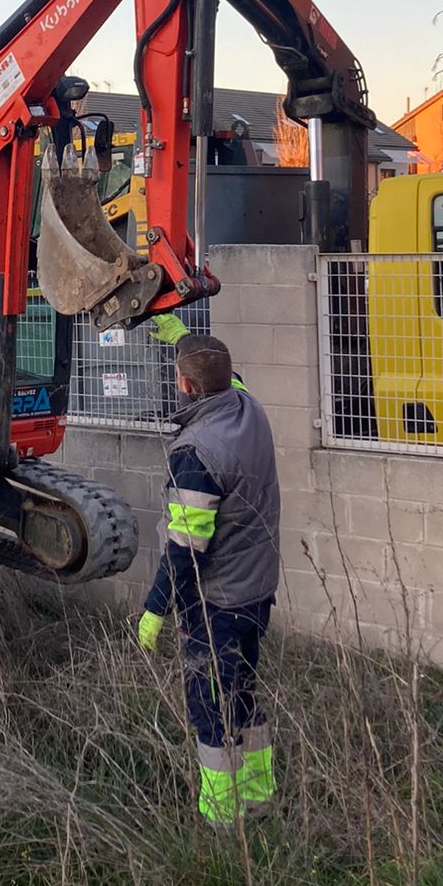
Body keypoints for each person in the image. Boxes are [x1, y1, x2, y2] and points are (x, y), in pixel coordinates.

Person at [137, 316, 279, 826]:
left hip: (215, 600)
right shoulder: (247, 407)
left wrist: (155, 608)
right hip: (257, 590)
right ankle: (260, 798)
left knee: (209, 706)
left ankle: (222, 819)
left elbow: (184, 550)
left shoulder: (196, 453)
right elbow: (225, 376)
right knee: (243, 693)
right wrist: (181, 339)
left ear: (183, 385)